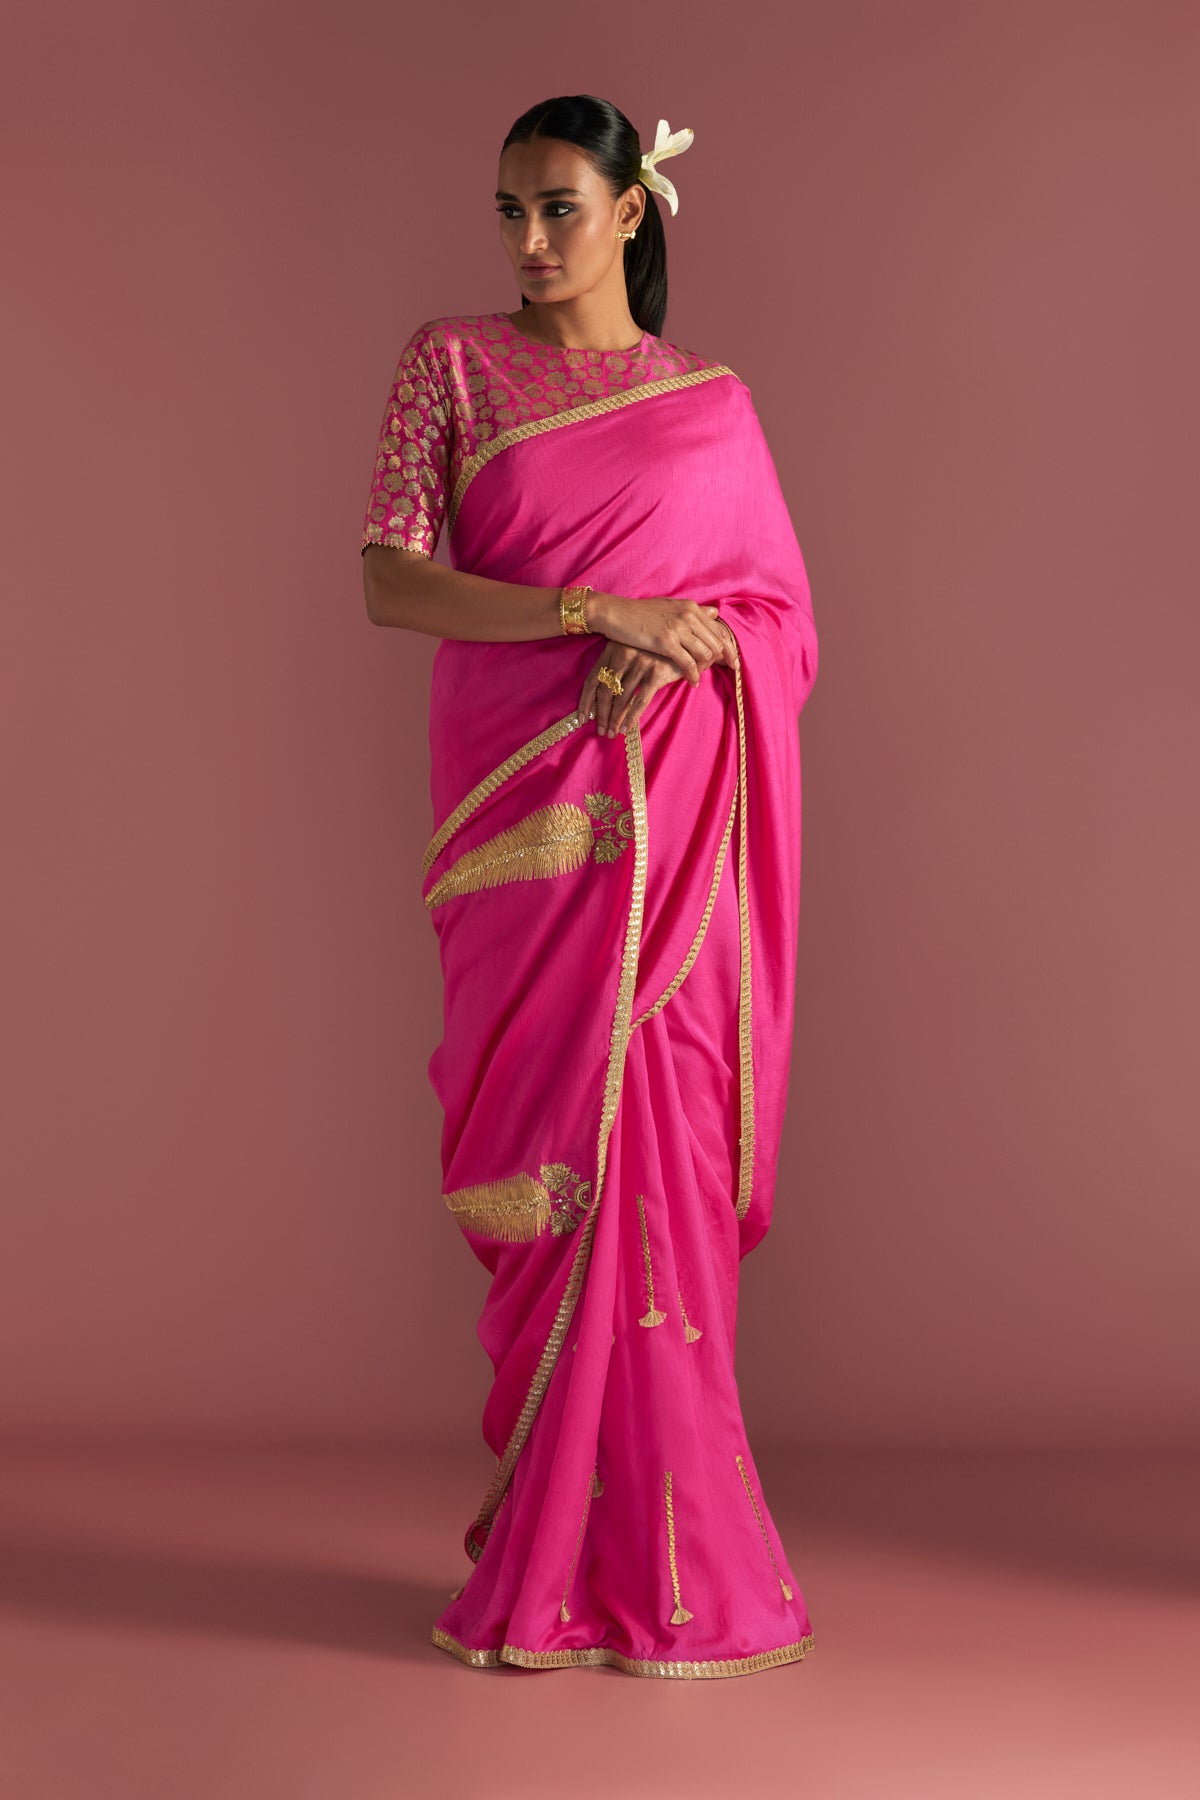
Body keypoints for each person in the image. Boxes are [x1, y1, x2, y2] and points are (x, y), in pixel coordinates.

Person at [360, 93, 820, 1680]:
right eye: (511, 211)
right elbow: (391, 580)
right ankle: (551, 1545)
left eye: (560, 207)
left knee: (658, 1141)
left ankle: (665, 1564)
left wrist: (689, 656)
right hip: (520, 823)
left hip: (673, 838)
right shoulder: (452, 364)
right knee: (546, 1153)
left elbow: (776, 625)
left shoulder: (715, 405)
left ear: (633, 211)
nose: (531, 240)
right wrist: (596, 614)